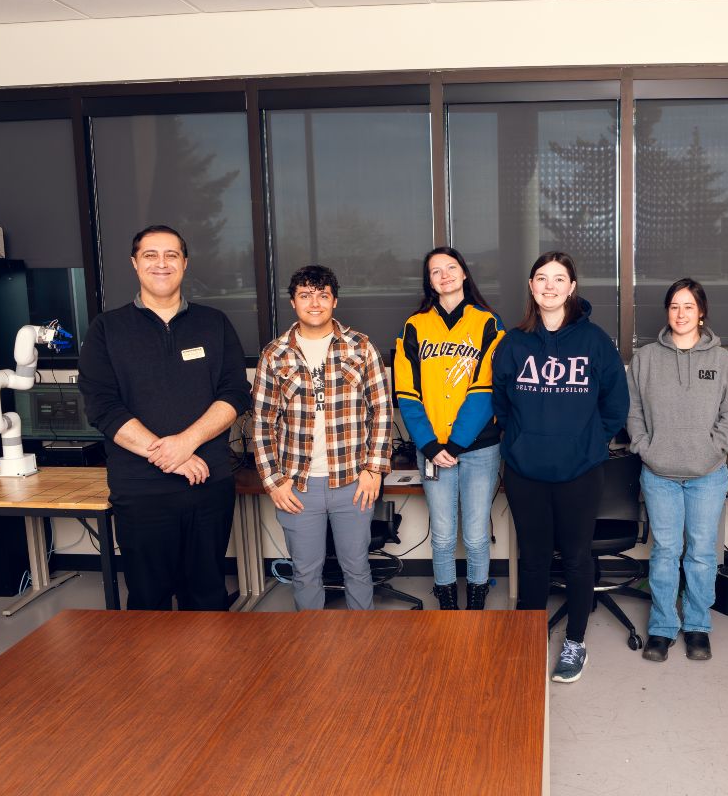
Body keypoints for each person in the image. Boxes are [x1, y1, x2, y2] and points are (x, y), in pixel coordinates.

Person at [79, 224, 251, 611]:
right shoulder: (107, 329)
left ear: (185, 264)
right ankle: (151, 676)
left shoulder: (214, 323)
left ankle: (210, 674)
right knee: (148, 600)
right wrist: (170, 456)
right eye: (150, 255)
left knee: (207, 596)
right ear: (135, 263)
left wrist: (186, 443)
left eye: (171, 255)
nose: (162, 263)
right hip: (141, 491)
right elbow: (103, 406)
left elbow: (235, 392)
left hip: (207, 485)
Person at [493, 251, 628, 683]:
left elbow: (615, 405)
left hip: (579, 471)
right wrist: (520, 442)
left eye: (559, 279)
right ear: (531, 287)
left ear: (572, 287)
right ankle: (526, 636)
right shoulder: (513, 343)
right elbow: (501, 404)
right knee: (532, 558)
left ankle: (575, 642)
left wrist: (588, 442)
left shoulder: (595, 342)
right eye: (541, 278)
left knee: (575, 557)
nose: (549, 286)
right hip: (525, 471)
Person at [251, 265, 393, 611]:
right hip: (298, 486)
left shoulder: (360, 347)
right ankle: (310, 653)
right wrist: (274, 482)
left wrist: (373, 470)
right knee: (305, 572)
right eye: (305, 295)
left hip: (352, 481)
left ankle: (362, 647)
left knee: (357, 568)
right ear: (293, 302)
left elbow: (382, 411)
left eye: (322, 295)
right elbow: (261, 422)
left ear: (334, 301)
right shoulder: (275, 354)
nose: (314, 303)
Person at [627, 278, 728, 663]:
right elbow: (632, 412)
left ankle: (697, 626)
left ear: (701, 313)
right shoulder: (645, 359)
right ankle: (662, 627)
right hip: (659, 473)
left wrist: (713, 448)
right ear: (668, 312)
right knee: (665, 552)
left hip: (707, 475)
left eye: (689, 307)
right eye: (675, 306)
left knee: (700, 553)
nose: (681, 314)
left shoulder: (722, 362)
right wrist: (645, 447)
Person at [394, 247, 505, 610]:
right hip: (432, 449)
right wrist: (427, 444)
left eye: (451, 268)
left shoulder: (487, 322)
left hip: (479, 448)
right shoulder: (415, 325)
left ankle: (476, 600)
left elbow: (486, 388)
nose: (444, 275)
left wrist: (455, 445)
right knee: (442, 536)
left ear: (464, 273)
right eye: (435, 271)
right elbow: (407, 393)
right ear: (429, 281)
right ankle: (446, 602)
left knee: (474, 535)